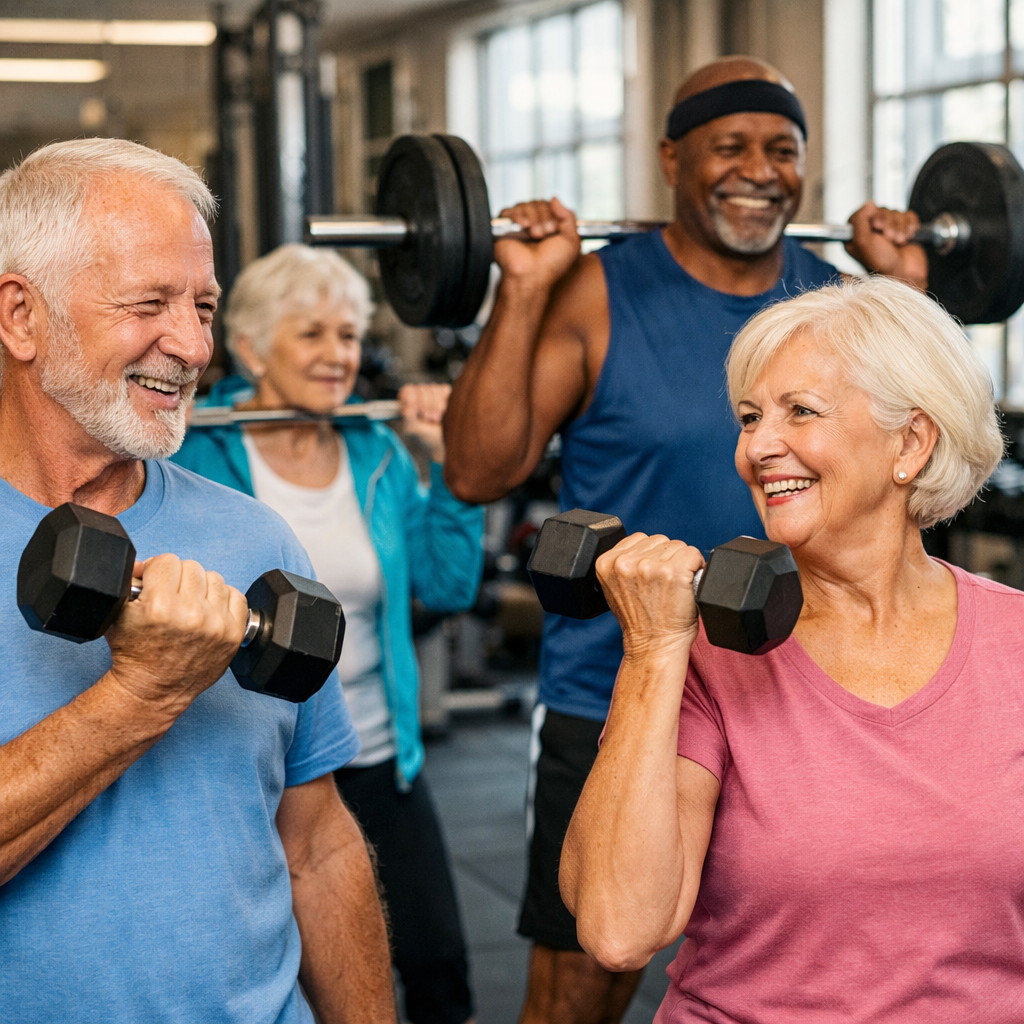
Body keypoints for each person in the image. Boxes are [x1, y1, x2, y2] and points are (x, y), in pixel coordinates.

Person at [443, 55, 926, 1024]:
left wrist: (906, 292)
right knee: (583, 983)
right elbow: (479, 471)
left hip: (803, 695)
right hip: (618, 693)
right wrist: (524, 291)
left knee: (807, 968)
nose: (761, 170)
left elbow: (916, 472)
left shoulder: (838, 303)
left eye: (783, 149)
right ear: (672, 159)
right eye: (730, 145)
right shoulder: (595, 292)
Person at [0, 140, 395, 1024]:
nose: (190, 346)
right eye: (149, 304)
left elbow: (317, 846)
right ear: (21, 316)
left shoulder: (254, 536)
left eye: (204, 307)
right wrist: (141, 693)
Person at [560, 274, 1018, 1022]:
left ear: (911, 442)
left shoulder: (1016, 644)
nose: (757, 448)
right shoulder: (707, 653)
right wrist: (651, 649)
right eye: (750, 418)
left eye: (800, 411)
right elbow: (619, 929)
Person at [172, 242, 484, 1024]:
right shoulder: (195, 451)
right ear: (251, 348)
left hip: (376, 754)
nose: (338, 353)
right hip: (253, 763)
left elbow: (449, 585)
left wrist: (448, 467)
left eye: (348, 335)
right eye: (311, 333)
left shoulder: (378, 453)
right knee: (280, 973)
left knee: (440, 967)